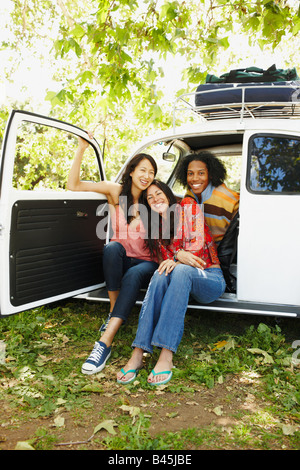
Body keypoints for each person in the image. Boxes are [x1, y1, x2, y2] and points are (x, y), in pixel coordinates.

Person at [116, 179, 226, 386]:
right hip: (182, 282)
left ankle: (166, 354)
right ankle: (138, 353)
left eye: (158, 193)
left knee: (182, 269)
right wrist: (177, 256)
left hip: (210, 277)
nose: (155, 198)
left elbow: (198, 253)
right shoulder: (157, 230)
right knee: (159, 274)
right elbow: (167, 262)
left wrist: (178, 255)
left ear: (167, 194)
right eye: (150, 197)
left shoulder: (187, 206)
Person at [67, 133, 158, 374]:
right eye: (143, 170)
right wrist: (82, 148)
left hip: (147, 264)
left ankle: (104, 342)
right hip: (121, 259)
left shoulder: (154, 199)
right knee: (111, 248)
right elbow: (73, 185)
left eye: (151, 172)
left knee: (135, 274)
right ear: (131, 171)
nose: (147, 176)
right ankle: (113, 309)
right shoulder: (114, 191)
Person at [175, 151, 239, 245]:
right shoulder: (189, 194)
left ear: (211, 174)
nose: (195, 178)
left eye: (201, 173)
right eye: (190, 174)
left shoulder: (229, 200)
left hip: (221, 252)